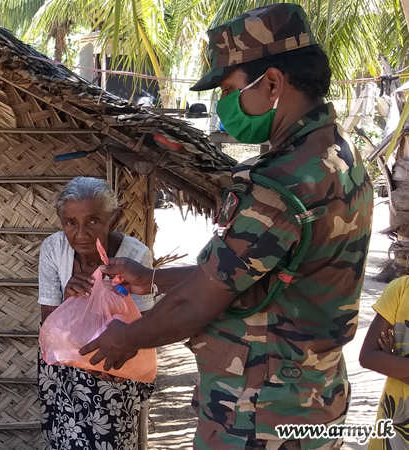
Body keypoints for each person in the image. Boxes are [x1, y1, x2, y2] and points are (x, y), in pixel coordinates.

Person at [79, 4, 374, 449]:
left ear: (272, 83)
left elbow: (197, 302)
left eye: (232, 89)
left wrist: (126, 338)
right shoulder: (338, 158)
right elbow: (251, 276)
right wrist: (152, 279)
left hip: (258, 415)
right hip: (312, 397)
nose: (226, 105)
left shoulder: (283, 183)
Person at [38, 176, 154, 450]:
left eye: (93, 221)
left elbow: (142, 324)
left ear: (114, 218)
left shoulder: (135, 255)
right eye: (70, 222)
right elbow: (49, 325)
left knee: (110, 439)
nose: (81, 234)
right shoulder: (54, 248)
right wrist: (68, 298)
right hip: (64, 363)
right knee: (63, 438)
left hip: (114, 361)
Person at [359, 276, 409, 449]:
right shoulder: (400, 289)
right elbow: (368, 357)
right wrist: (384, 362)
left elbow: (376, 358)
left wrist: (392, 364)